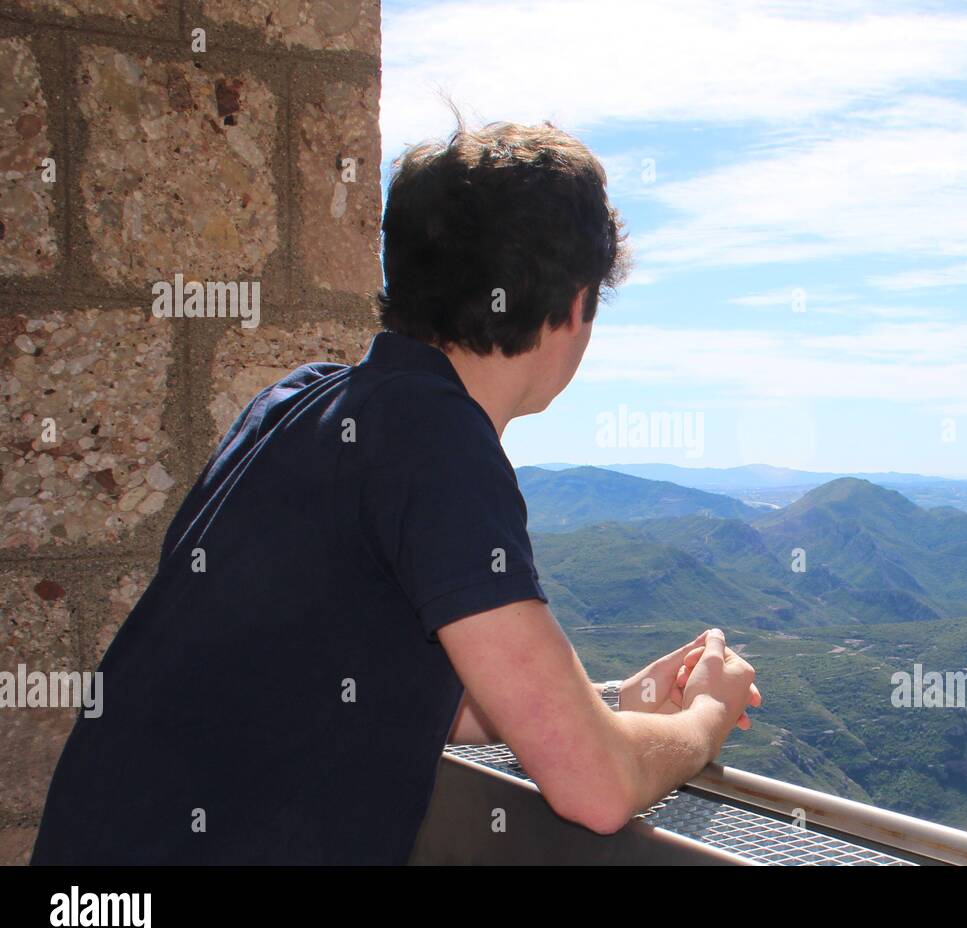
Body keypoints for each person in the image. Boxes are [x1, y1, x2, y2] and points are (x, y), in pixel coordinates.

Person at [31, 118, 760, 865]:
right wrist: (706, 716)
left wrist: (603, 707)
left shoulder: (293, 406)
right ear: (576, 306)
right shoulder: (439, 444)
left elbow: (352, 683)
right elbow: (597, 791)